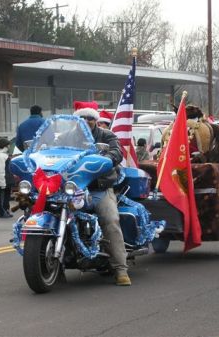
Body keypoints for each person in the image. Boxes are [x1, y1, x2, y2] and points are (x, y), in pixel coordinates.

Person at [73, 101, 131, 286]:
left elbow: (117, 152)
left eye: (90, 118)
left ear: (95, 120)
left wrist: (107, 159)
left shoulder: (106, 135)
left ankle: (121, 269)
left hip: (99, 187)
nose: (86, 121)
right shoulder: (67, 137)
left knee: (110, 220)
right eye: (82, 117)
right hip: (72, 189)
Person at [0, 138, 15, 218]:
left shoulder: (3, 155)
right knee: (1, 196)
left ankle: (5, 211)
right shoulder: (0, 156)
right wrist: (2, 183)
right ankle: (2, 212)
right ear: (5, 146)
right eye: (8, 145)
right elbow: (0, 171)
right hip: (3, 181)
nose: (9, 146)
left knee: (6, 197)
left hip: (6, 181)